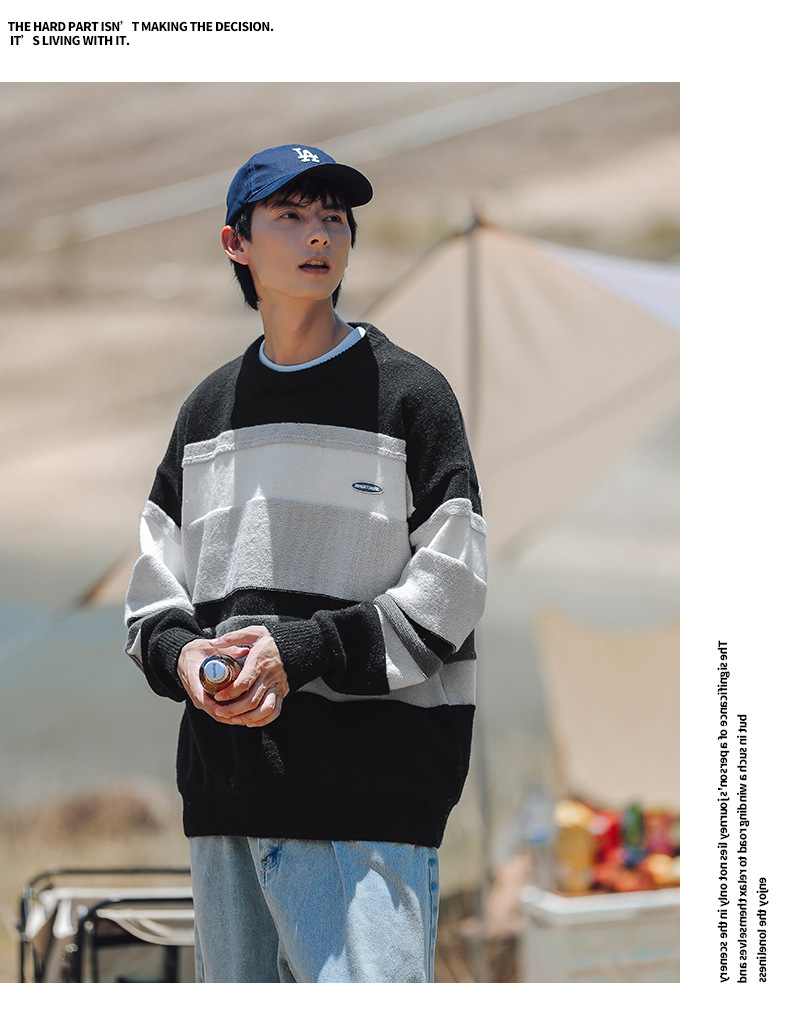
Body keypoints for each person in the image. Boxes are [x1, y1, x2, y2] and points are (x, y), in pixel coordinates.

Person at [124, 144, 487, 983]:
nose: (318, 234)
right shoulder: (206, 413)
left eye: (333, 218)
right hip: (226, 801)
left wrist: (303, 649)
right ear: (236, 243)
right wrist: (188, 659)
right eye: (290, 215)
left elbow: (454, 584)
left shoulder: (410, 396)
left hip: (370, 806)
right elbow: (151, 596)